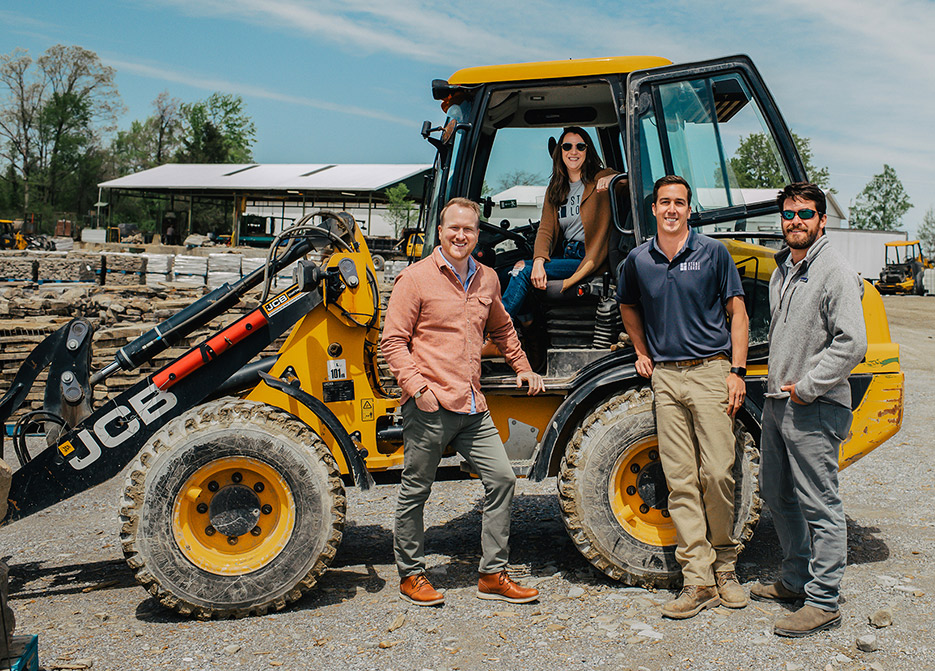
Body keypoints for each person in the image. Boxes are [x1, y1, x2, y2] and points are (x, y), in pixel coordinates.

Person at [381, 197, 545, 607]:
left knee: (503, 479)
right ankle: (412, 575)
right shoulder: (414, 279)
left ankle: (492, 574)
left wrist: (522, 365)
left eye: (468, 229)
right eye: (453, 228)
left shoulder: (487, 278)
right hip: (429, 404)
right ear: (440, 231)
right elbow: (393, 342)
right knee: (416, 489)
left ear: (477, 234)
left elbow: (504, 328)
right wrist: (418, 388)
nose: (460, 235)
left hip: (473, 406)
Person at [616, 175, 749, 619]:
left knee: (717, 472)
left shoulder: (714, 253)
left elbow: (738, 313)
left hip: (711, 371)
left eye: (680, 202)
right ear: (653, 209)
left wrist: (736, 370)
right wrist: (640, 350)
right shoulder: (638, 260)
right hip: (667, 378)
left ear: (689, 209)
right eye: (664, 202)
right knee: (680, 479)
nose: (671, 209)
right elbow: (628, 305)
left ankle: (726, 565)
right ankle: (698, 580)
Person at [752, 182, 867, 637]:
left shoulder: (833, 270)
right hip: (780, 404)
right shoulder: (785, 270)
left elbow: (852, 342)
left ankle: (824, 601)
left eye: (805, 213)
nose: (795, 220)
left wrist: (807, 387)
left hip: (813, 405)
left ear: (822, 220)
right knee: (778, 496)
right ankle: (795, 578)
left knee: (820, 503)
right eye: (788, 213)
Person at [500, 126, 618, 317]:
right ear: (560, 152)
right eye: (567, 146)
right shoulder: (556, 189)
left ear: (587, 151)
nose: (573, 151)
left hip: (586, 258)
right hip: (566, 254)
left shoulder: (600, 179)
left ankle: (497, 337)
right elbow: (545, 230)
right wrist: (539, 260)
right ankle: (529, 329)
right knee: (509, 272)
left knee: (522, 271)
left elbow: (631, 184)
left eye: (580, 146)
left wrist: (614, 178)